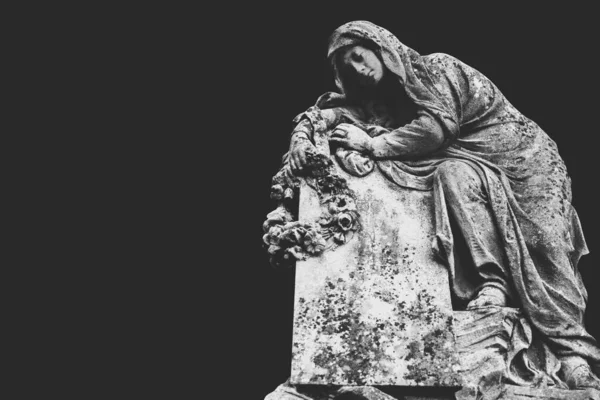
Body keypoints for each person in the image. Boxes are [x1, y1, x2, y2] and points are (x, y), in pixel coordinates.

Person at [286, 20, 600, 391]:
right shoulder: (386, 102)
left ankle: (573, 356)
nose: (357, 68)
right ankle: (493, 283)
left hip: (525, 160)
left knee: (545, 246)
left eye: (358, 56)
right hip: (470, 164)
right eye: (346, 67)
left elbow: (435, 130)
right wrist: (310, 128)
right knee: (452, 175)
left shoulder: (435, 70)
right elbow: (346, 113)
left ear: (382, 47)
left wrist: (372, 145)